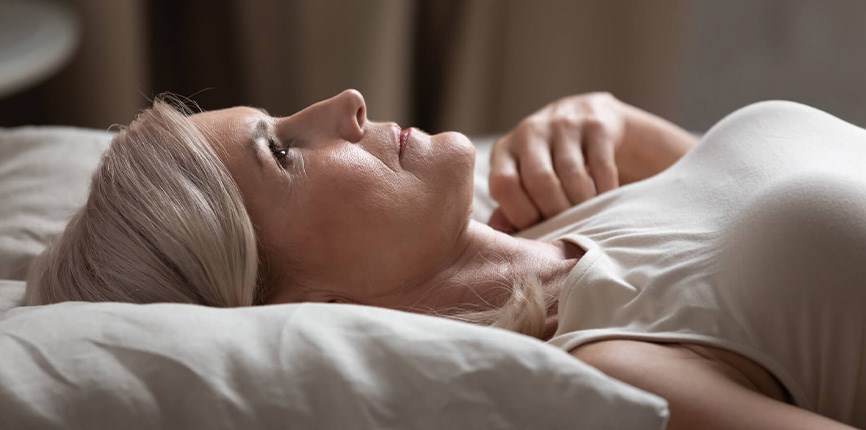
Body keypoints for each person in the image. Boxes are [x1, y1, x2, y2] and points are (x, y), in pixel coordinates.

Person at [24, 89, 865, 429]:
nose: (344, 104)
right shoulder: (630, 368)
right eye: (283, 152)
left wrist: (631, 128)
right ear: (297, 303)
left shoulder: (562, 203)